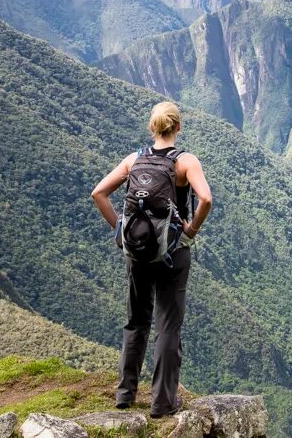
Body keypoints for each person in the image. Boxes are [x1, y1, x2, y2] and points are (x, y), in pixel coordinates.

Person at [91, 101, 213, 418]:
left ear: (152, 128)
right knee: (168, 327)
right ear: (178, 127)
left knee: (136, 322)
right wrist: (191, 230)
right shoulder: (185, 163)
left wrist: (121, 230)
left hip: (138, 252)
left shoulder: (134, 160)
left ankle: (124, 394)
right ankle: (163, 402)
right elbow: (206, 199)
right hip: (173, 254)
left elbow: (98, 194)